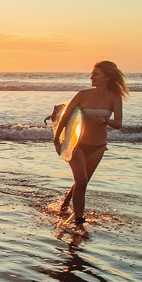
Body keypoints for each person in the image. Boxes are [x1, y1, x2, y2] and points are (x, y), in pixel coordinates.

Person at [54, 61, 128, 225]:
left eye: (96, 74)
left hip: (98, 146)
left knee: (82, 182)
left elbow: (119, 123)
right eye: (92, 74)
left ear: (107, 77)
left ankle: (64, 205)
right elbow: (65, 117)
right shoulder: (82, 95)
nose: (91, 77)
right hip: (77, 144)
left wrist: (105, 121)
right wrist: (57, 139)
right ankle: (79, 220)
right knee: (81, 182)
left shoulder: (114, 97)